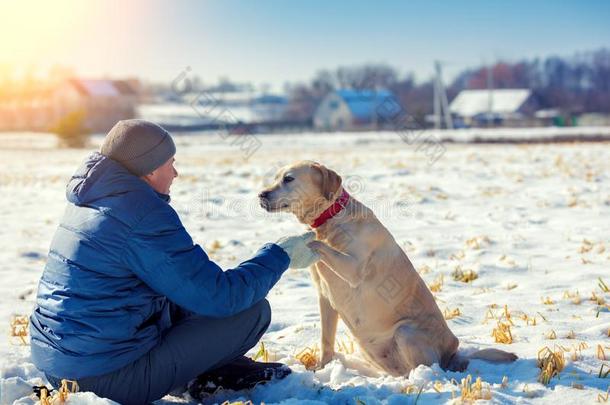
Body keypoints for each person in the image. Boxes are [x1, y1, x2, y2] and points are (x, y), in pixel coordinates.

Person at [29, 119, 319, 404]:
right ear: (150, 168)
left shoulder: (92, 200)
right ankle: (200, 374)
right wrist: (280, 255)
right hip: (108, 379)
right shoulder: (142, 214)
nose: (176, 172)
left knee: (185, 301)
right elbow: (221, 297)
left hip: (58, 364)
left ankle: (209, 367)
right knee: (250, 312)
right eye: (171, 162)